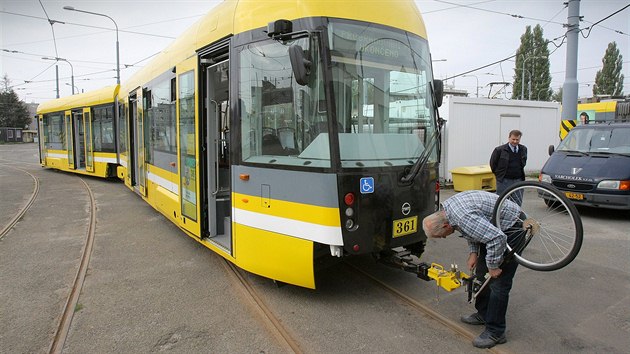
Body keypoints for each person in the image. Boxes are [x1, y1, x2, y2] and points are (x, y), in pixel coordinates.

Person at [422, 190, 524, 349]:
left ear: (445, 225)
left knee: (498, 283)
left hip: (512, 227)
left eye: (442, 235)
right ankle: (483, 314)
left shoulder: (461, 218)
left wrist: (493, 266)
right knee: (481, 275)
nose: (444, 237)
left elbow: (497, 238)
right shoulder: (449, 211)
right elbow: (472, 230)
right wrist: (474, 252)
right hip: (494, 227)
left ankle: (496, 332)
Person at [490, 130, 527, 197]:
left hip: (518, 180)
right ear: (509, 138)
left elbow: (523, 163)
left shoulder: (523, 149)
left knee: (517, 200)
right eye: (513, 139)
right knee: (502, 200)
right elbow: (493, 164)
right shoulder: (499, 150)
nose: (515, 141)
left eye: (517, 140)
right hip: (504, 181)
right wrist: (499, 175)